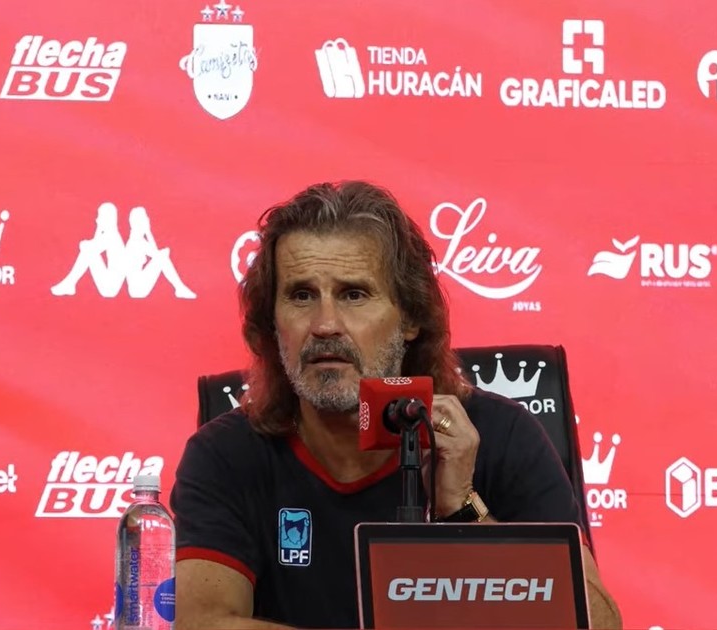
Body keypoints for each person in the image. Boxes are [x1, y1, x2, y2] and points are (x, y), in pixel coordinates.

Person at [170, 181, 622, 629]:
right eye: (301, 295)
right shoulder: (226, 454)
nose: (325, 324)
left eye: (353, 294)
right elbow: (203, 623)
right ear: (272, 323)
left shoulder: (500, 435)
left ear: (409, 318)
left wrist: (464, 510)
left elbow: (598, 624)